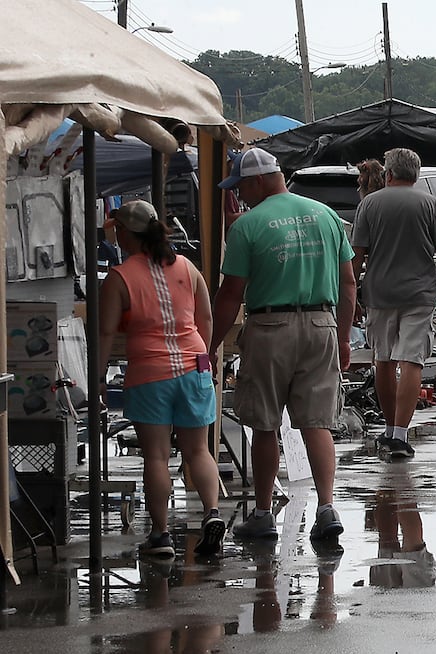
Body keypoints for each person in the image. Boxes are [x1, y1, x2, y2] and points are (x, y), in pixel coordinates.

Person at [211, 147, 357, 544]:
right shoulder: (326, 216)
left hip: (269, 327)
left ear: (258, 181)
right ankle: (326, 509)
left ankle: (262, 515)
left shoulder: (247, 226)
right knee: (317, 423)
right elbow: (348, 283)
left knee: (264, 423)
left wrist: (210, 345)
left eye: (241, 186)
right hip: (321, 323)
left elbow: (230, 294)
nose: (239, 195)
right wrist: (343, 336)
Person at [98, 199, 224, 559]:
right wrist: (207, 356)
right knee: (198, 449)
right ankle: (212, 513)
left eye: (117, 228)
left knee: (156, 456)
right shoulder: (187, 267)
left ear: (126, 233)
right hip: (194, 367)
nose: (116, 234)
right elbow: (207, 319)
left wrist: (98, 378)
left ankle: (160, 535)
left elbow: (106, 333)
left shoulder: (120, 277)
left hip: (149, 373)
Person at [349, 148, 436, 461]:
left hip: (379, 293)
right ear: (416, 175)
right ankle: (400, 434)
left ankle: (387, 429)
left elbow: (357, 256)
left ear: (389, 174)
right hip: (419, 294)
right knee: (412, 361)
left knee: (383, 359)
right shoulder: (430, 204)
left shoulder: (369, 204)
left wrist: (353, 294)